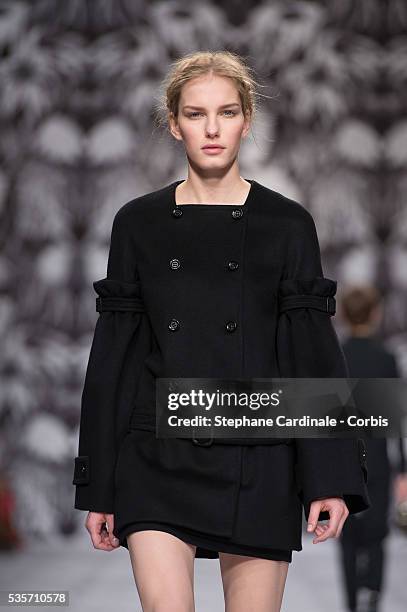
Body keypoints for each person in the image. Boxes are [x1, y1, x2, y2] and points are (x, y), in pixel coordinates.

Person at [72, 50, 370, 612]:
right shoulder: (138, 224)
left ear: (247, 120)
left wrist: (330, 475)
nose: (211, 128)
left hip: (257, 457)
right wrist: (99, 487)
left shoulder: (287, 225)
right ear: (174, 122)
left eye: (227, 112)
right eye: (195, 113)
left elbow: (310, 356)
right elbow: (113, 359)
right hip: (156, 457)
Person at [337, 285, 407, 612]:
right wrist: (403, 468)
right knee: (377, 533)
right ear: (375, 314)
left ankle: (352, 602)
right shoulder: (386, 358)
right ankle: (373, 597)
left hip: (345, 458)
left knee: (348, 534)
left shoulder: (337, 356)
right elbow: (395, 419)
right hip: (379, 458)